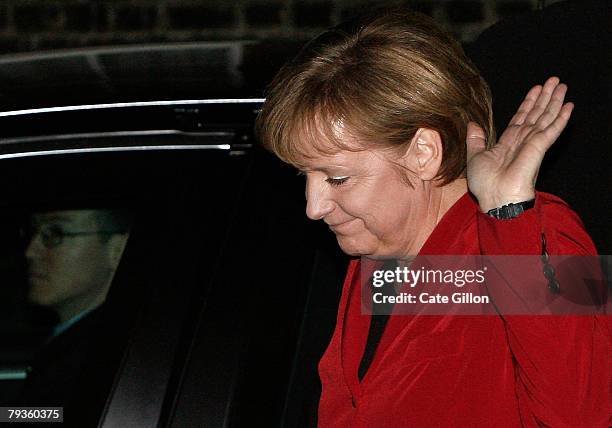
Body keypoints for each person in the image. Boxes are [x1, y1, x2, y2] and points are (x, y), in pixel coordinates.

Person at [256, 9, 608, 427]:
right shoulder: (377, 261)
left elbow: (585, 412)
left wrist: (509, 211)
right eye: (305, 176)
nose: (314, 207)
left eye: (337, 177)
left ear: (423, 152)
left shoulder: (538, 230)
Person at [20, 208, 131, 410]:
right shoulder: (82, 341)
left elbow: (52, 415)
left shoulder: (103, 354)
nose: (30, 251)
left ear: (117, 250)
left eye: (56, 233)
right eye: (31, 231)